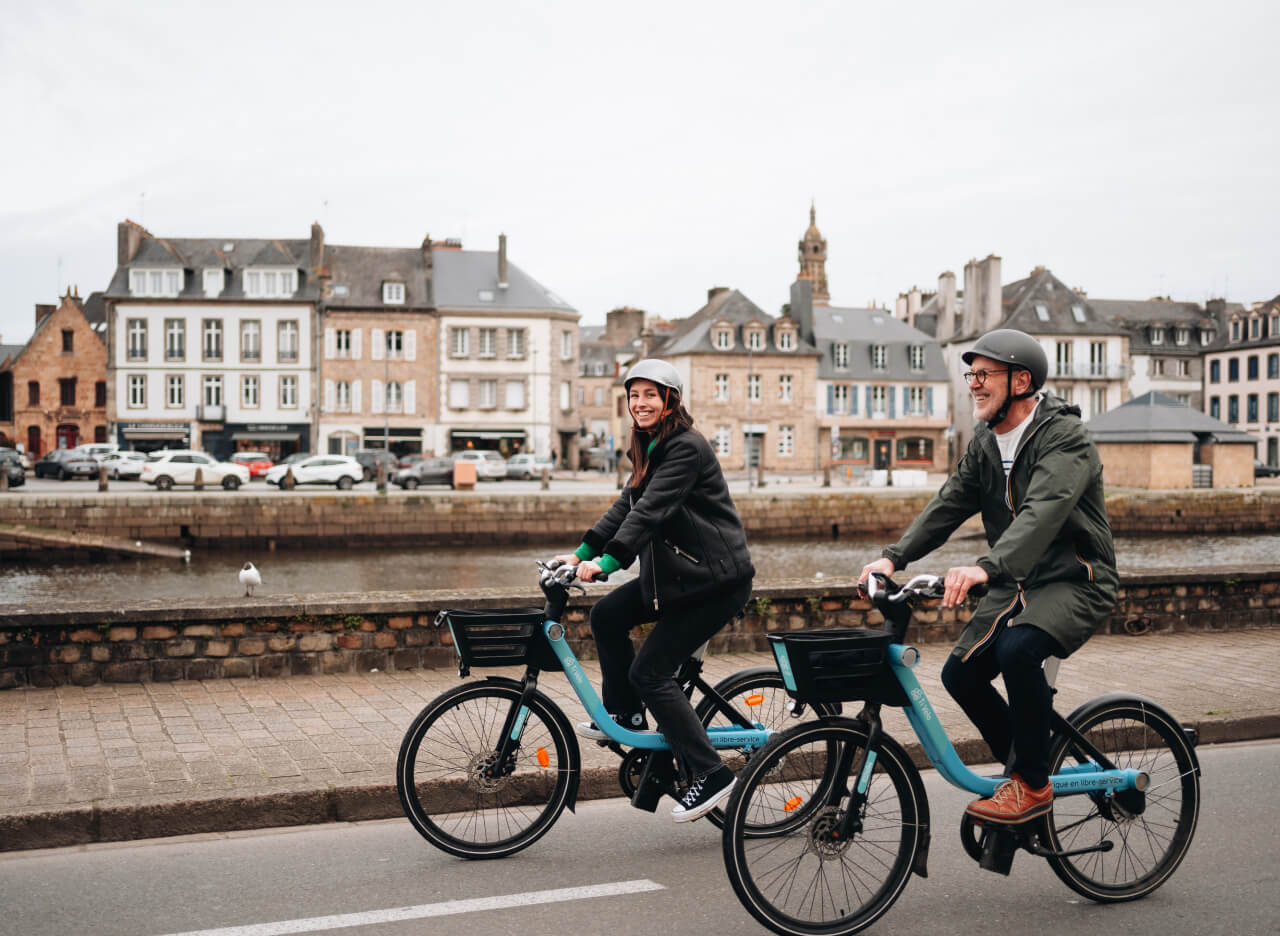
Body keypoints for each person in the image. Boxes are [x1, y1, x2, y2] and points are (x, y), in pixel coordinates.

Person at [859, 328, 1117, 825]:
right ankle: (1023, 767)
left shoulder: (1064, 438)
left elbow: (1043, 512)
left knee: (1018, 650)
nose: (973, 384)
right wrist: (893, 558)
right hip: (1016, 583)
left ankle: (1033, 786)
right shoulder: (985, 441)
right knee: (960, 674)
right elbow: (950, 503)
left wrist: (984, 568)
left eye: (984, 375)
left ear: (1021, 381)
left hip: (1074, 578)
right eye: (970, 375)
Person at [554, 358, 755, 822]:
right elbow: (627, 504)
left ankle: (711, 772)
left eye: (649, 395)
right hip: (678, 580)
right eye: (633, 395)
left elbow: (651, 514)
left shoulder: (685, 448)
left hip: (714, 583)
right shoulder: (650, 445)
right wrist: (581, 552)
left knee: (651, 672)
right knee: (606, 617)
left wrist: (607, 563)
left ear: (670, 400)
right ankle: (625, 716)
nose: (639, 404)